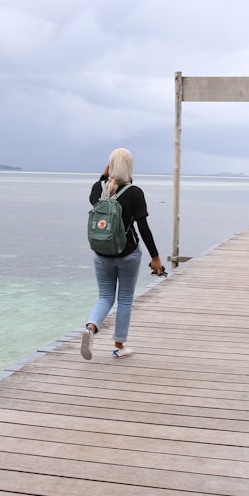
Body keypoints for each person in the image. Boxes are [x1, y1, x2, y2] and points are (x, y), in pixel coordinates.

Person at [81, 148, 164, 360]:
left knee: (105, 297)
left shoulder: (97, 190)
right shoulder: (134, 193)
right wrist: (155, 257)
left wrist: (105, 173)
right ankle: (118, 346)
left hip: (101, 253)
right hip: (128, 254)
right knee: (125, 299)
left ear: (110, 166)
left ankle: (90, 328)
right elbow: (143, 228)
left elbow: (99, 189)